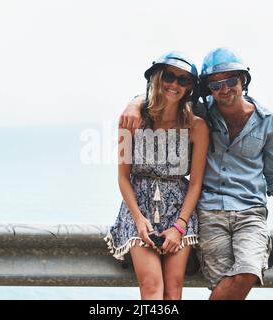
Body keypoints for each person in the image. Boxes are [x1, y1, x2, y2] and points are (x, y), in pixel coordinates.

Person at [118, 47, 273, 300]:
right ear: (206, 90)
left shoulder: (263, 121)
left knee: (247, 272)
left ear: (243, 81)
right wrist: (134, 102)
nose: (223, 89)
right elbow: (163, 97)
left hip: (248, 211)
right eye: (215, 85)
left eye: (231, 81)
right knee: (204, 284)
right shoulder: (201, 111)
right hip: (209, 211)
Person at [104, 51, 208, 300]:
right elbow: (123, 177)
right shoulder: (130, 121)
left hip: (178, 211)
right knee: (151, 288)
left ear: (190, 88)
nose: (175, 85)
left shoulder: (197, 127)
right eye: (169, 77)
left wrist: (179, 227)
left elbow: (195, 184)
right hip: (138, 209)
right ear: (157, 78)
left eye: (183, 80)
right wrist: (139, 220)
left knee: (173, 293)